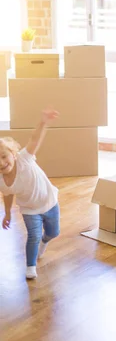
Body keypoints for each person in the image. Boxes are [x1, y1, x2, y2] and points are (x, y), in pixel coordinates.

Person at [1, 109, 60, 279]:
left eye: (4, 156)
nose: (2, 163)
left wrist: (43, 122)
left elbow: (34, 139)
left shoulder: (24, 158)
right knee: (33, 236)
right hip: (29, 209)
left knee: (53, 232)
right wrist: (7, 214)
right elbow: (8, 194)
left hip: (49, 202)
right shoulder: (2, 181)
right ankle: (30, 265)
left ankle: (45, 241)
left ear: (13, 154)